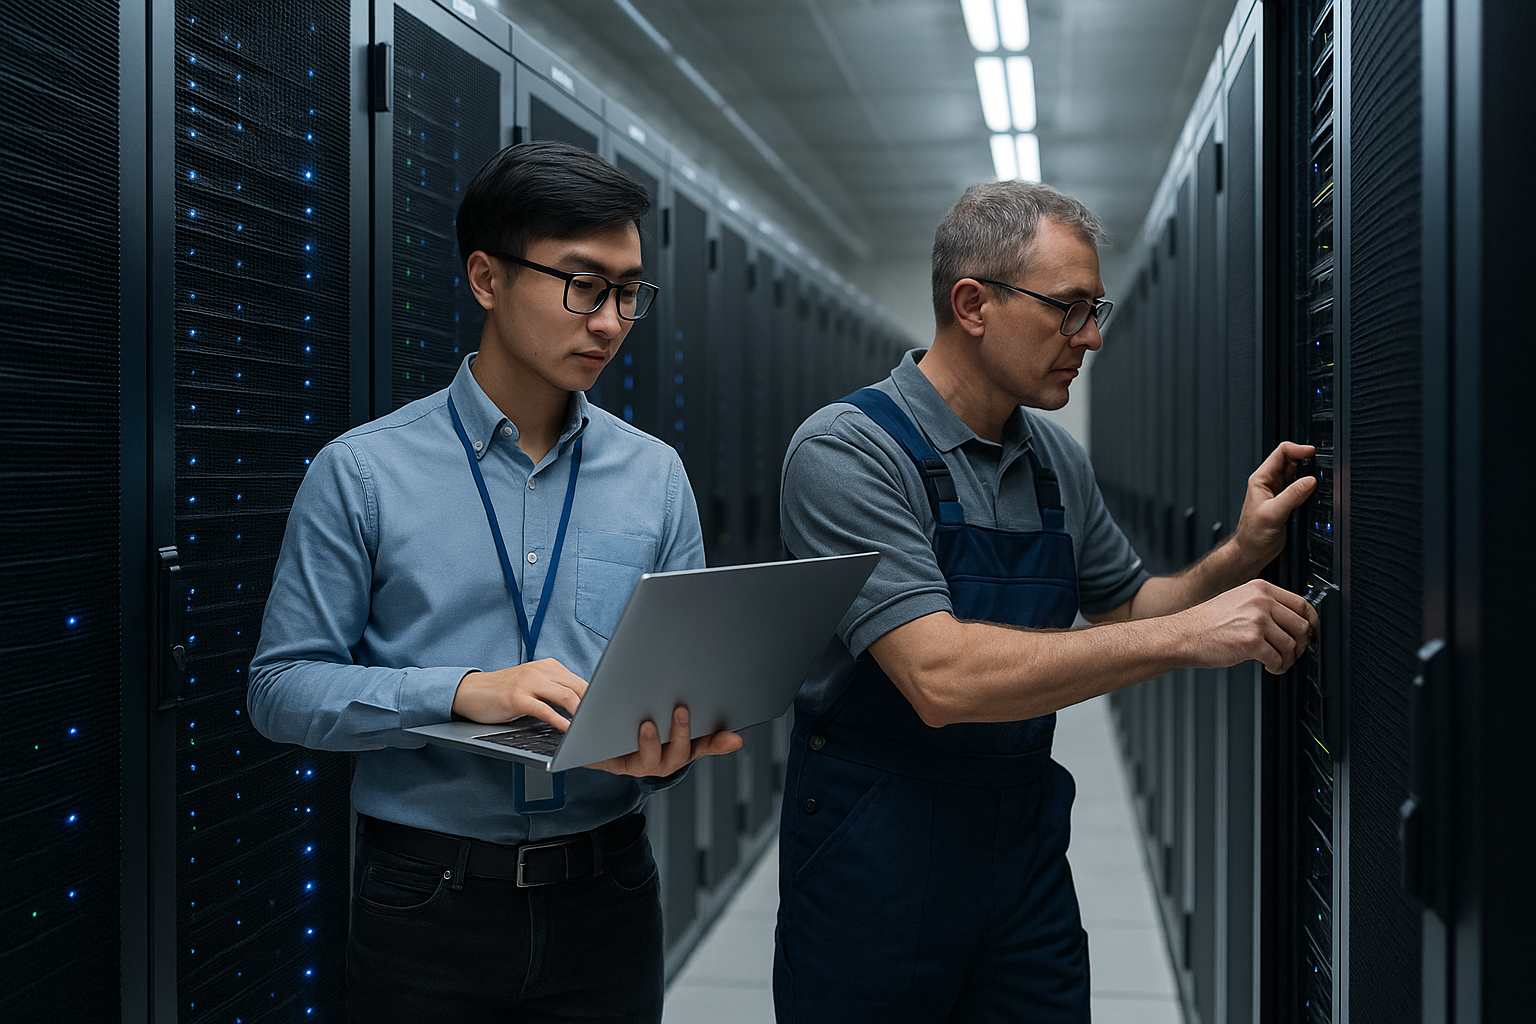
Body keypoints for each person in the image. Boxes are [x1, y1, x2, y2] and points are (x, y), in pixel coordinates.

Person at [772, 181, 1318, 1023]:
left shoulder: (1053, 459)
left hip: (1019, 847)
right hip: (874, 851)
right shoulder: (849, 452)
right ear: (972, 304)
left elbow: (1129, 605)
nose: (1091, 337)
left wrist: (1240, 555)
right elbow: (940, 678)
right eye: (1069, 310)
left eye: (1095, 311)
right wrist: (1185, 639)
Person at [249, 140, 740, 1024]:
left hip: (609, 888)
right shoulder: (362, 473)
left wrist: (668, 749)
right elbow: (282, 690)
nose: (611, 321)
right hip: (427, 900)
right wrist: (463, 691)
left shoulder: (654, 476)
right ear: (486, 278)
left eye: (630, 292)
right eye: (584, 285)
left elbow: (679, 683)